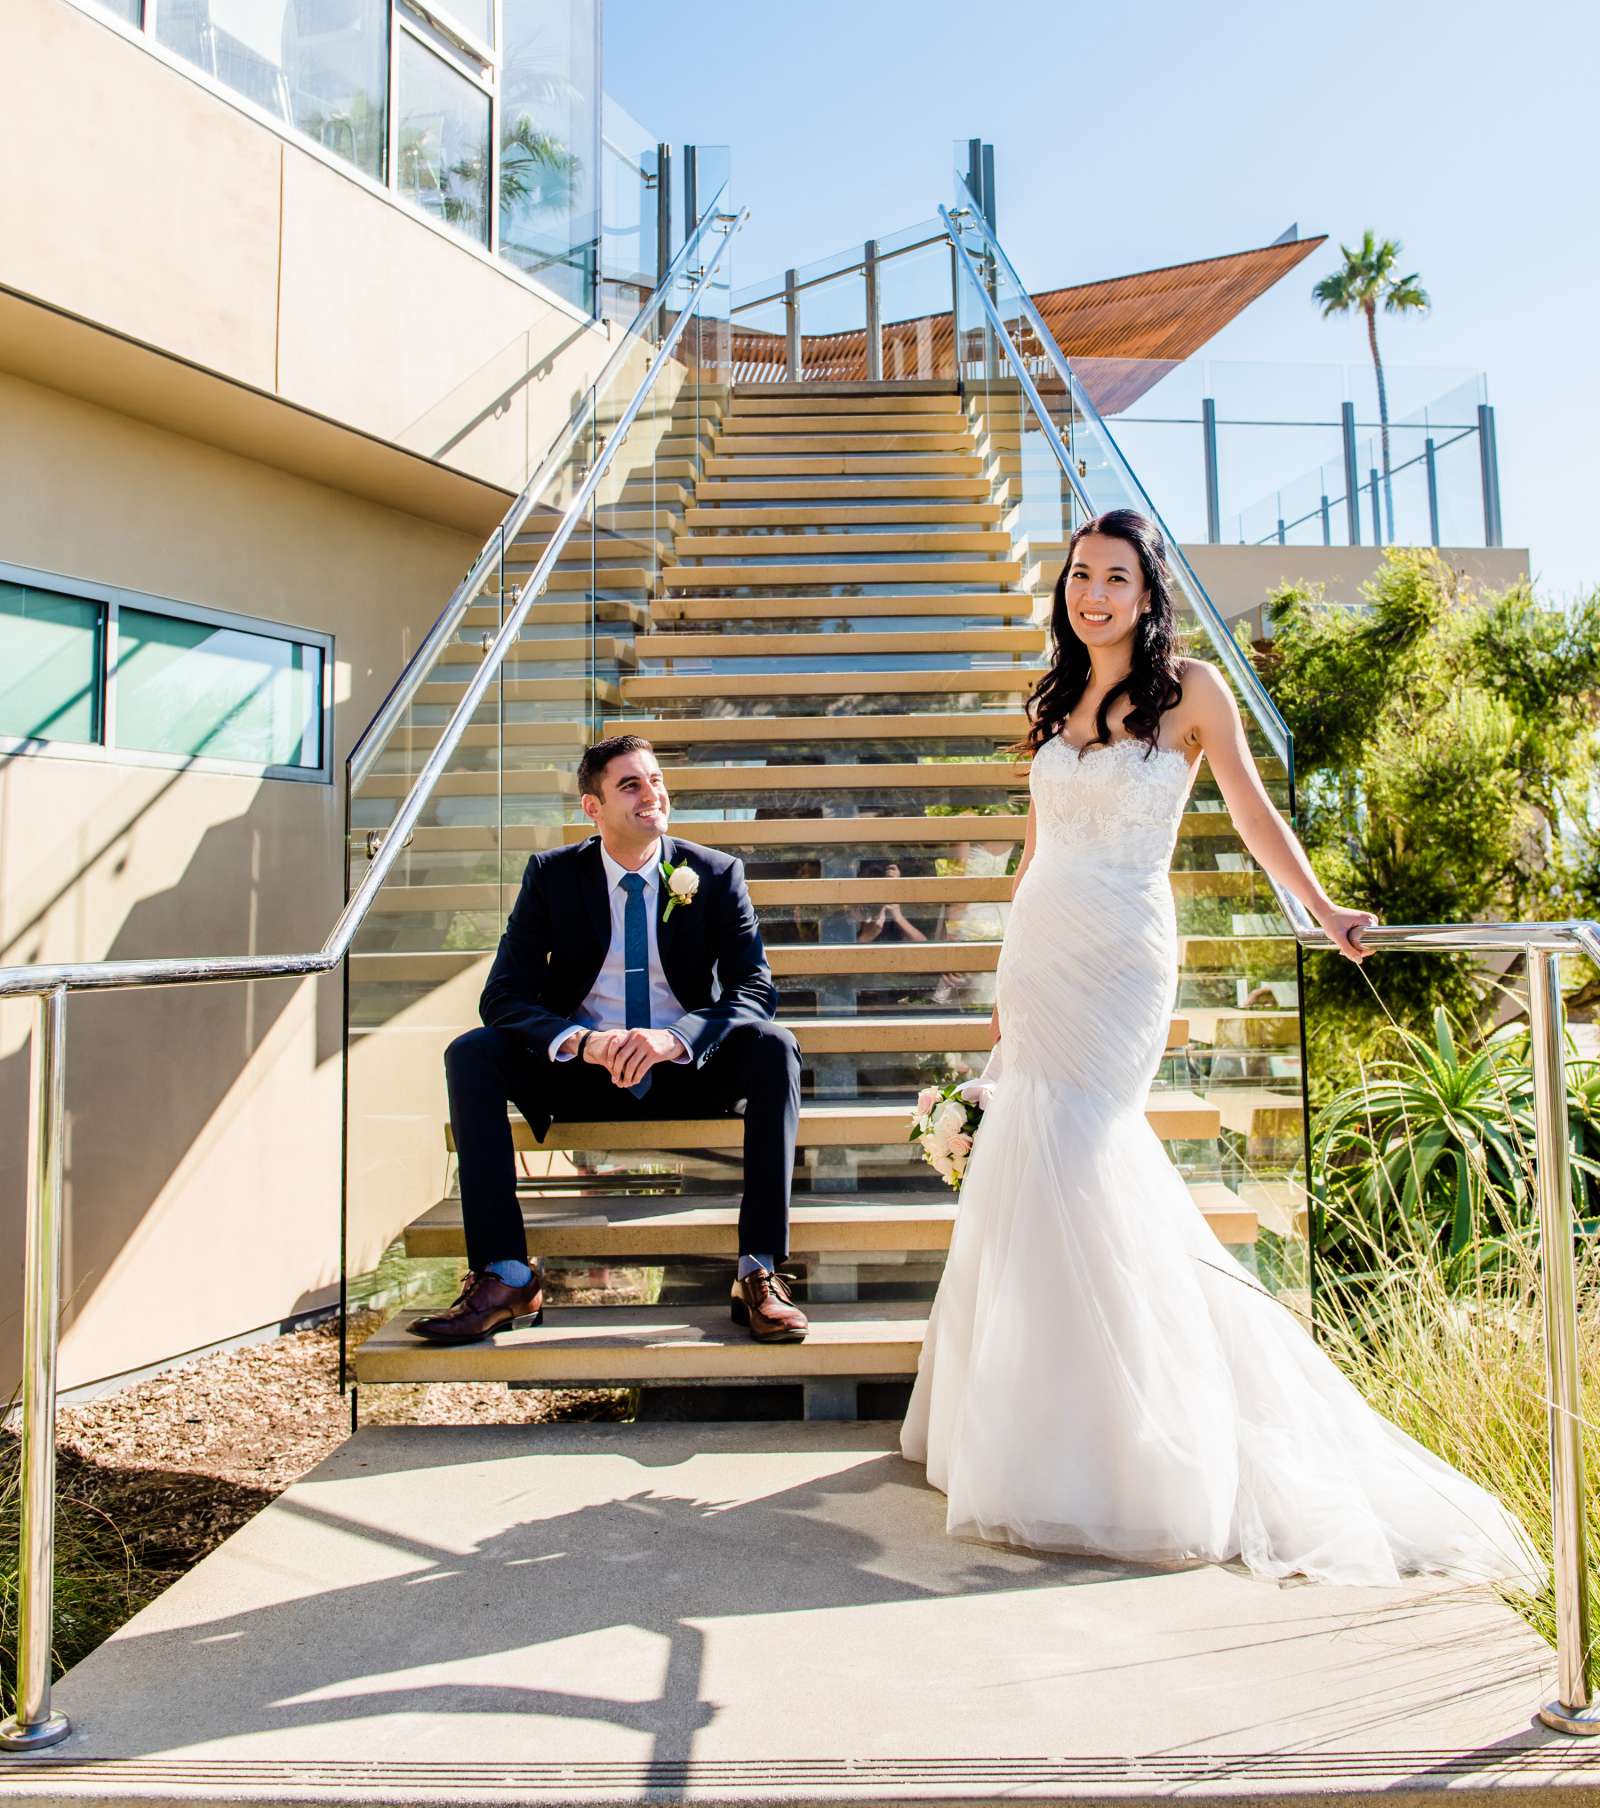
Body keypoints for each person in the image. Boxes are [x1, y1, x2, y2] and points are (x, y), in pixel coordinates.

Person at [901, 508, 1540, 1587]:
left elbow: (1251, 812)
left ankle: (1155, 1443)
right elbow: (1032, 852)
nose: (1092, 594)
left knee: (1088, 1160)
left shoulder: (1191, 691)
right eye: (1079, 577)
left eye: (1113, 578)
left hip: (1121, 963)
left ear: (1147, 594)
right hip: (1041, 955)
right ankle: (1047, 1436)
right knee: (1032, 1174)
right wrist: (1001, 996)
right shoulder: (1051, 697)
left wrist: (1324, 907)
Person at [413, 734, 808, 1346]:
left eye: (656, 781)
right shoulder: (552, 876)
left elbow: (753, 991)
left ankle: (758, 1269)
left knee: (774, 1046)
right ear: (591, 808)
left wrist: (673, 1039)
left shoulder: (715, 872)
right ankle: (506, 1275)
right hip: (583, 1074)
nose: (653, 794)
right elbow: (503, 996)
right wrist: (582, 1042)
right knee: (472, 1053)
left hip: (684, 1071)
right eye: (631, 785)